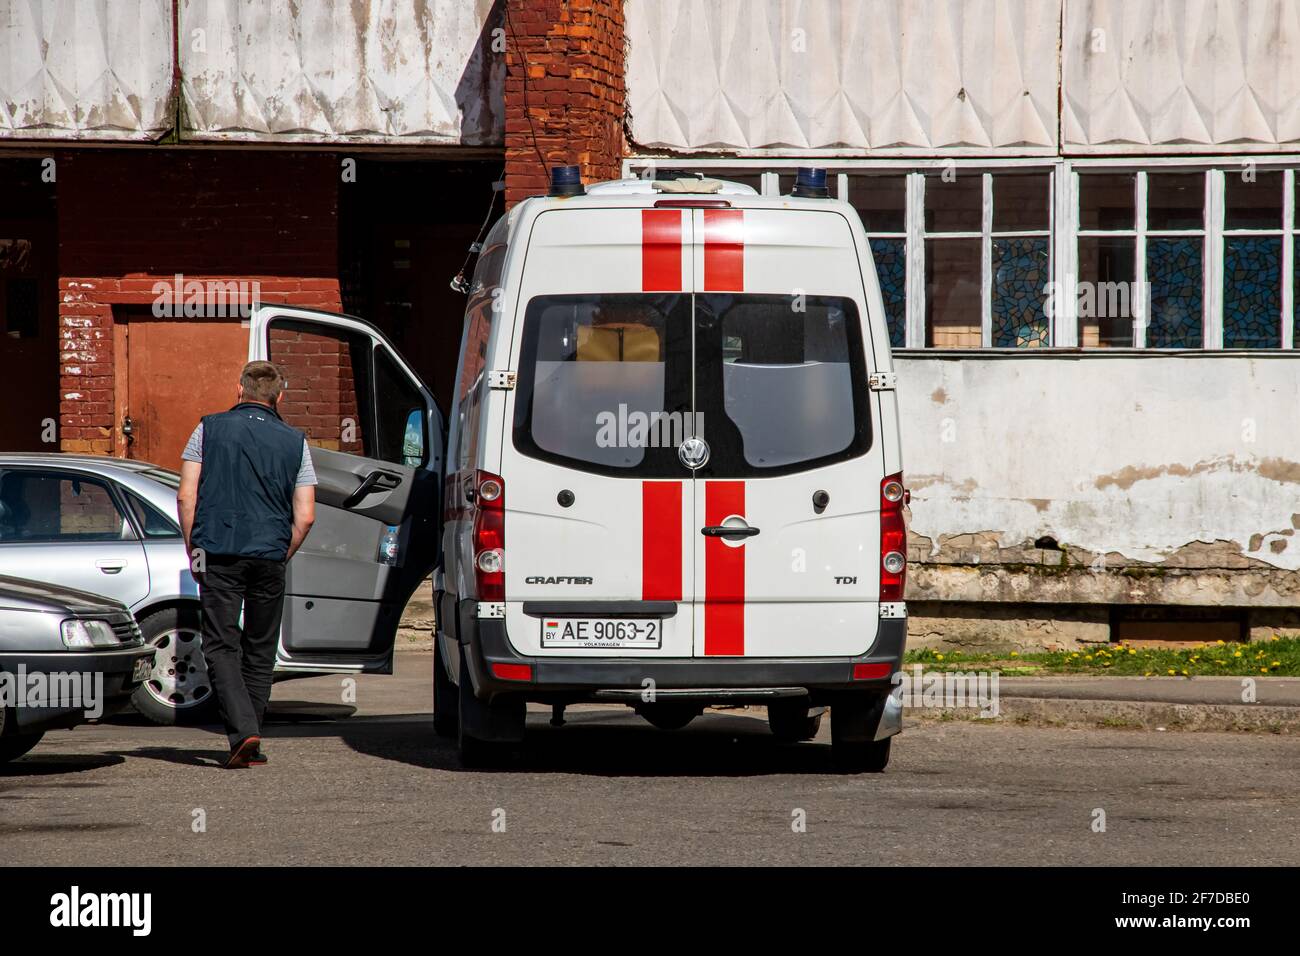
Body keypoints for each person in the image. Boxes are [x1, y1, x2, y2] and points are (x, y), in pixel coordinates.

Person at [177, 361, 317, 769]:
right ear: (280, 396)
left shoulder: (207, 428)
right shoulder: (296, 441)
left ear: (239, 389)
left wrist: (194, 550)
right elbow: (306, 515)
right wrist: (281, 551)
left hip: (218, 551)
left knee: (220, 643)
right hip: (270, 555)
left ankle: (242, 732)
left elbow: (187, 497)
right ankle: (250, 736)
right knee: (260, 646)